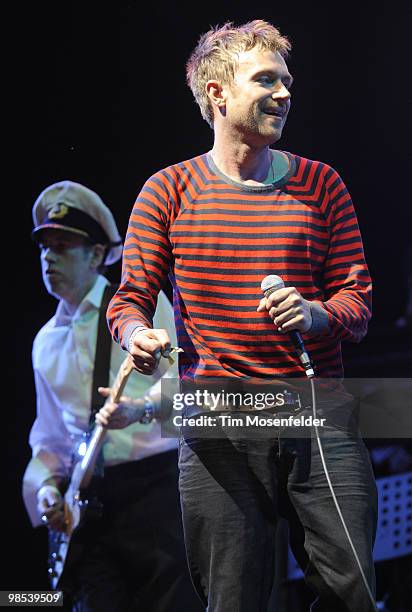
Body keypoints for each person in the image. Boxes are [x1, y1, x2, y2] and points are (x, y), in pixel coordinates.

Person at [105, 20, 378, 611]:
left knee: (352, 589)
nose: (284, 94)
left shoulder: (322, 185)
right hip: (219, 420)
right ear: (218, 94)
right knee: (232, 600)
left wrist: (315, 313)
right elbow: (128, 301)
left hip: (316, 413)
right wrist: (138, 336)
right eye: (266, 80)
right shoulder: (168, 191)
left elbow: (357, 308)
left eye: (287, 82)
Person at [22, 180, 202, 612]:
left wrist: (140, 409)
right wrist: (44, 488)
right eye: (44, 247)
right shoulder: (45, 342)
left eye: (63, 246)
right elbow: (49, 442)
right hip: (92, 506)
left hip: (157, 486)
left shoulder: (138, 311)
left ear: (98, 255)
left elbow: (193, 388)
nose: (49, 257)